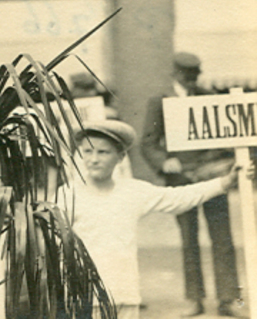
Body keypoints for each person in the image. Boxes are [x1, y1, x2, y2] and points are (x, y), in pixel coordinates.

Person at [63, 120, 241, 319]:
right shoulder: (67, 195)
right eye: (87, 152)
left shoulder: (131, 192)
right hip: (85, 299)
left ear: (120, 157)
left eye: (103, 152)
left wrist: (225, 182)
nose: (94, 159)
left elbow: (179, 197)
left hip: (124, 295)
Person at [140, 53, 240, 317]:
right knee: (188, 239)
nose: (191, 80)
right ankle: (195, 299)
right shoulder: (159, 101)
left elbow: (220, 137)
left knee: (222, 237)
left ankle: (227, 299)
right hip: (181, 180)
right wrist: (164, 161)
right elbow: (148, 142)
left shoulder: (208, 97)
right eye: (187, 75)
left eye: (194, 75)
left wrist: (217, 162)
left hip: (212, 178)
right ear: (175, 74)